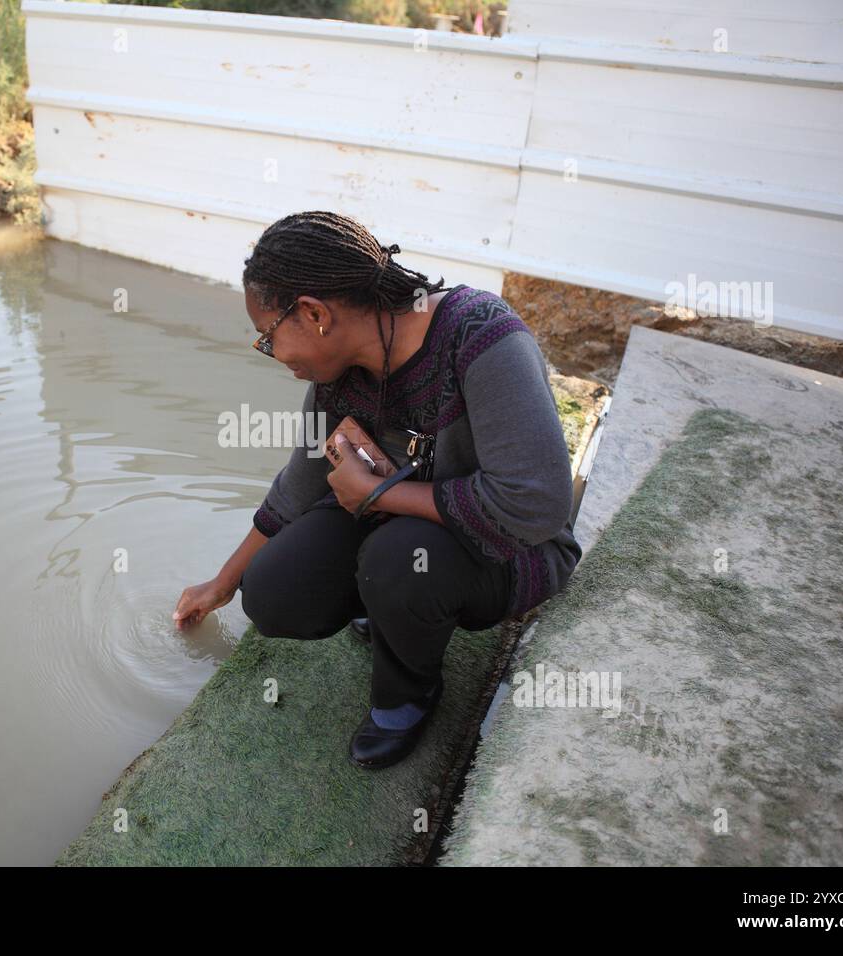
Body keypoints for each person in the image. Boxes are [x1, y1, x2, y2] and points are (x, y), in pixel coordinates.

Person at [173, 211, 581, 769]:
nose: (273, 354)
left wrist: (376, 495)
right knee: (274, 592)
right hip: (399, 523)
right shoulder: (336, 376)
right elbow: (298, 487)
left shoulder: (481, 338)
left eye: (269, 339)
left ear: (314, 314)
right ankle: (391, 606)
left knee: (396, 561)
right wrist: (222, 583)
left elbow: (535, 504)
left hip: (509, 550)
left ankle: (408, 696)